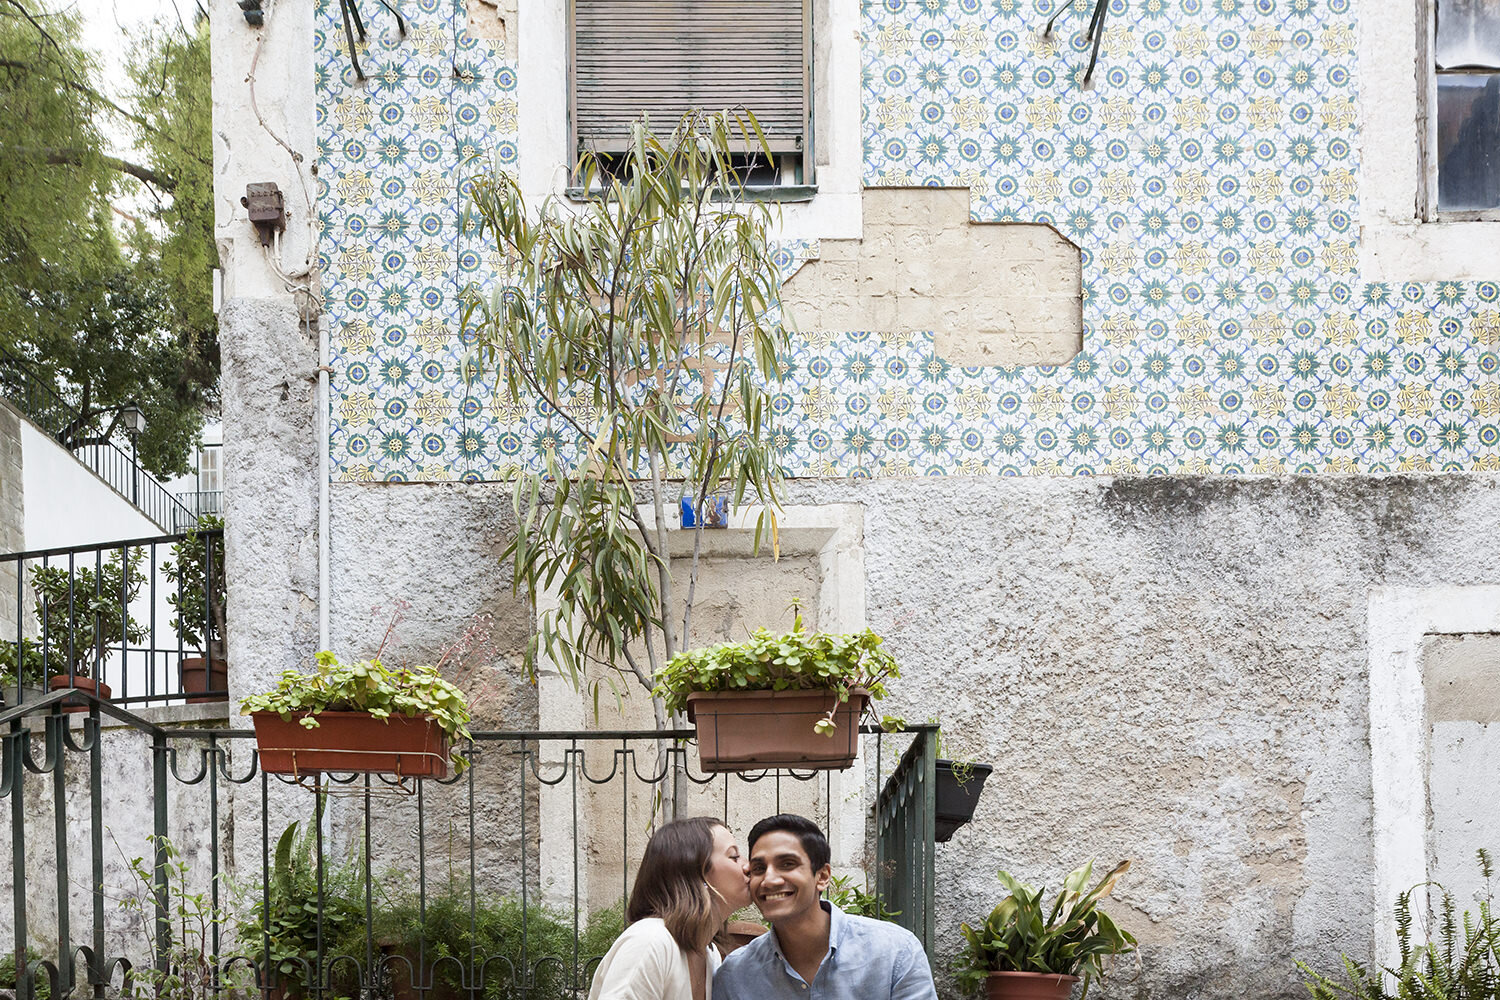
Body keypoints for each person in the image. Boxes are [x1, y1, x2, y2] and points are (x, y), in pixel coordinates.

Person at [713, 813, 937, 1000]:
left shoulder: (895, 952)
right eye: (759, 868)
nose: (769, 880)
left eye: (787, 864)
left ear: (822, 876)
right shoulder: (735, 975)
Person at [587, 816, 751, 1000]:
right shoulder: (650, 942)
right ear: (697, 874)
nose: (749, 866)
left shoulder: (709, 955)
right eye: (734, 856)